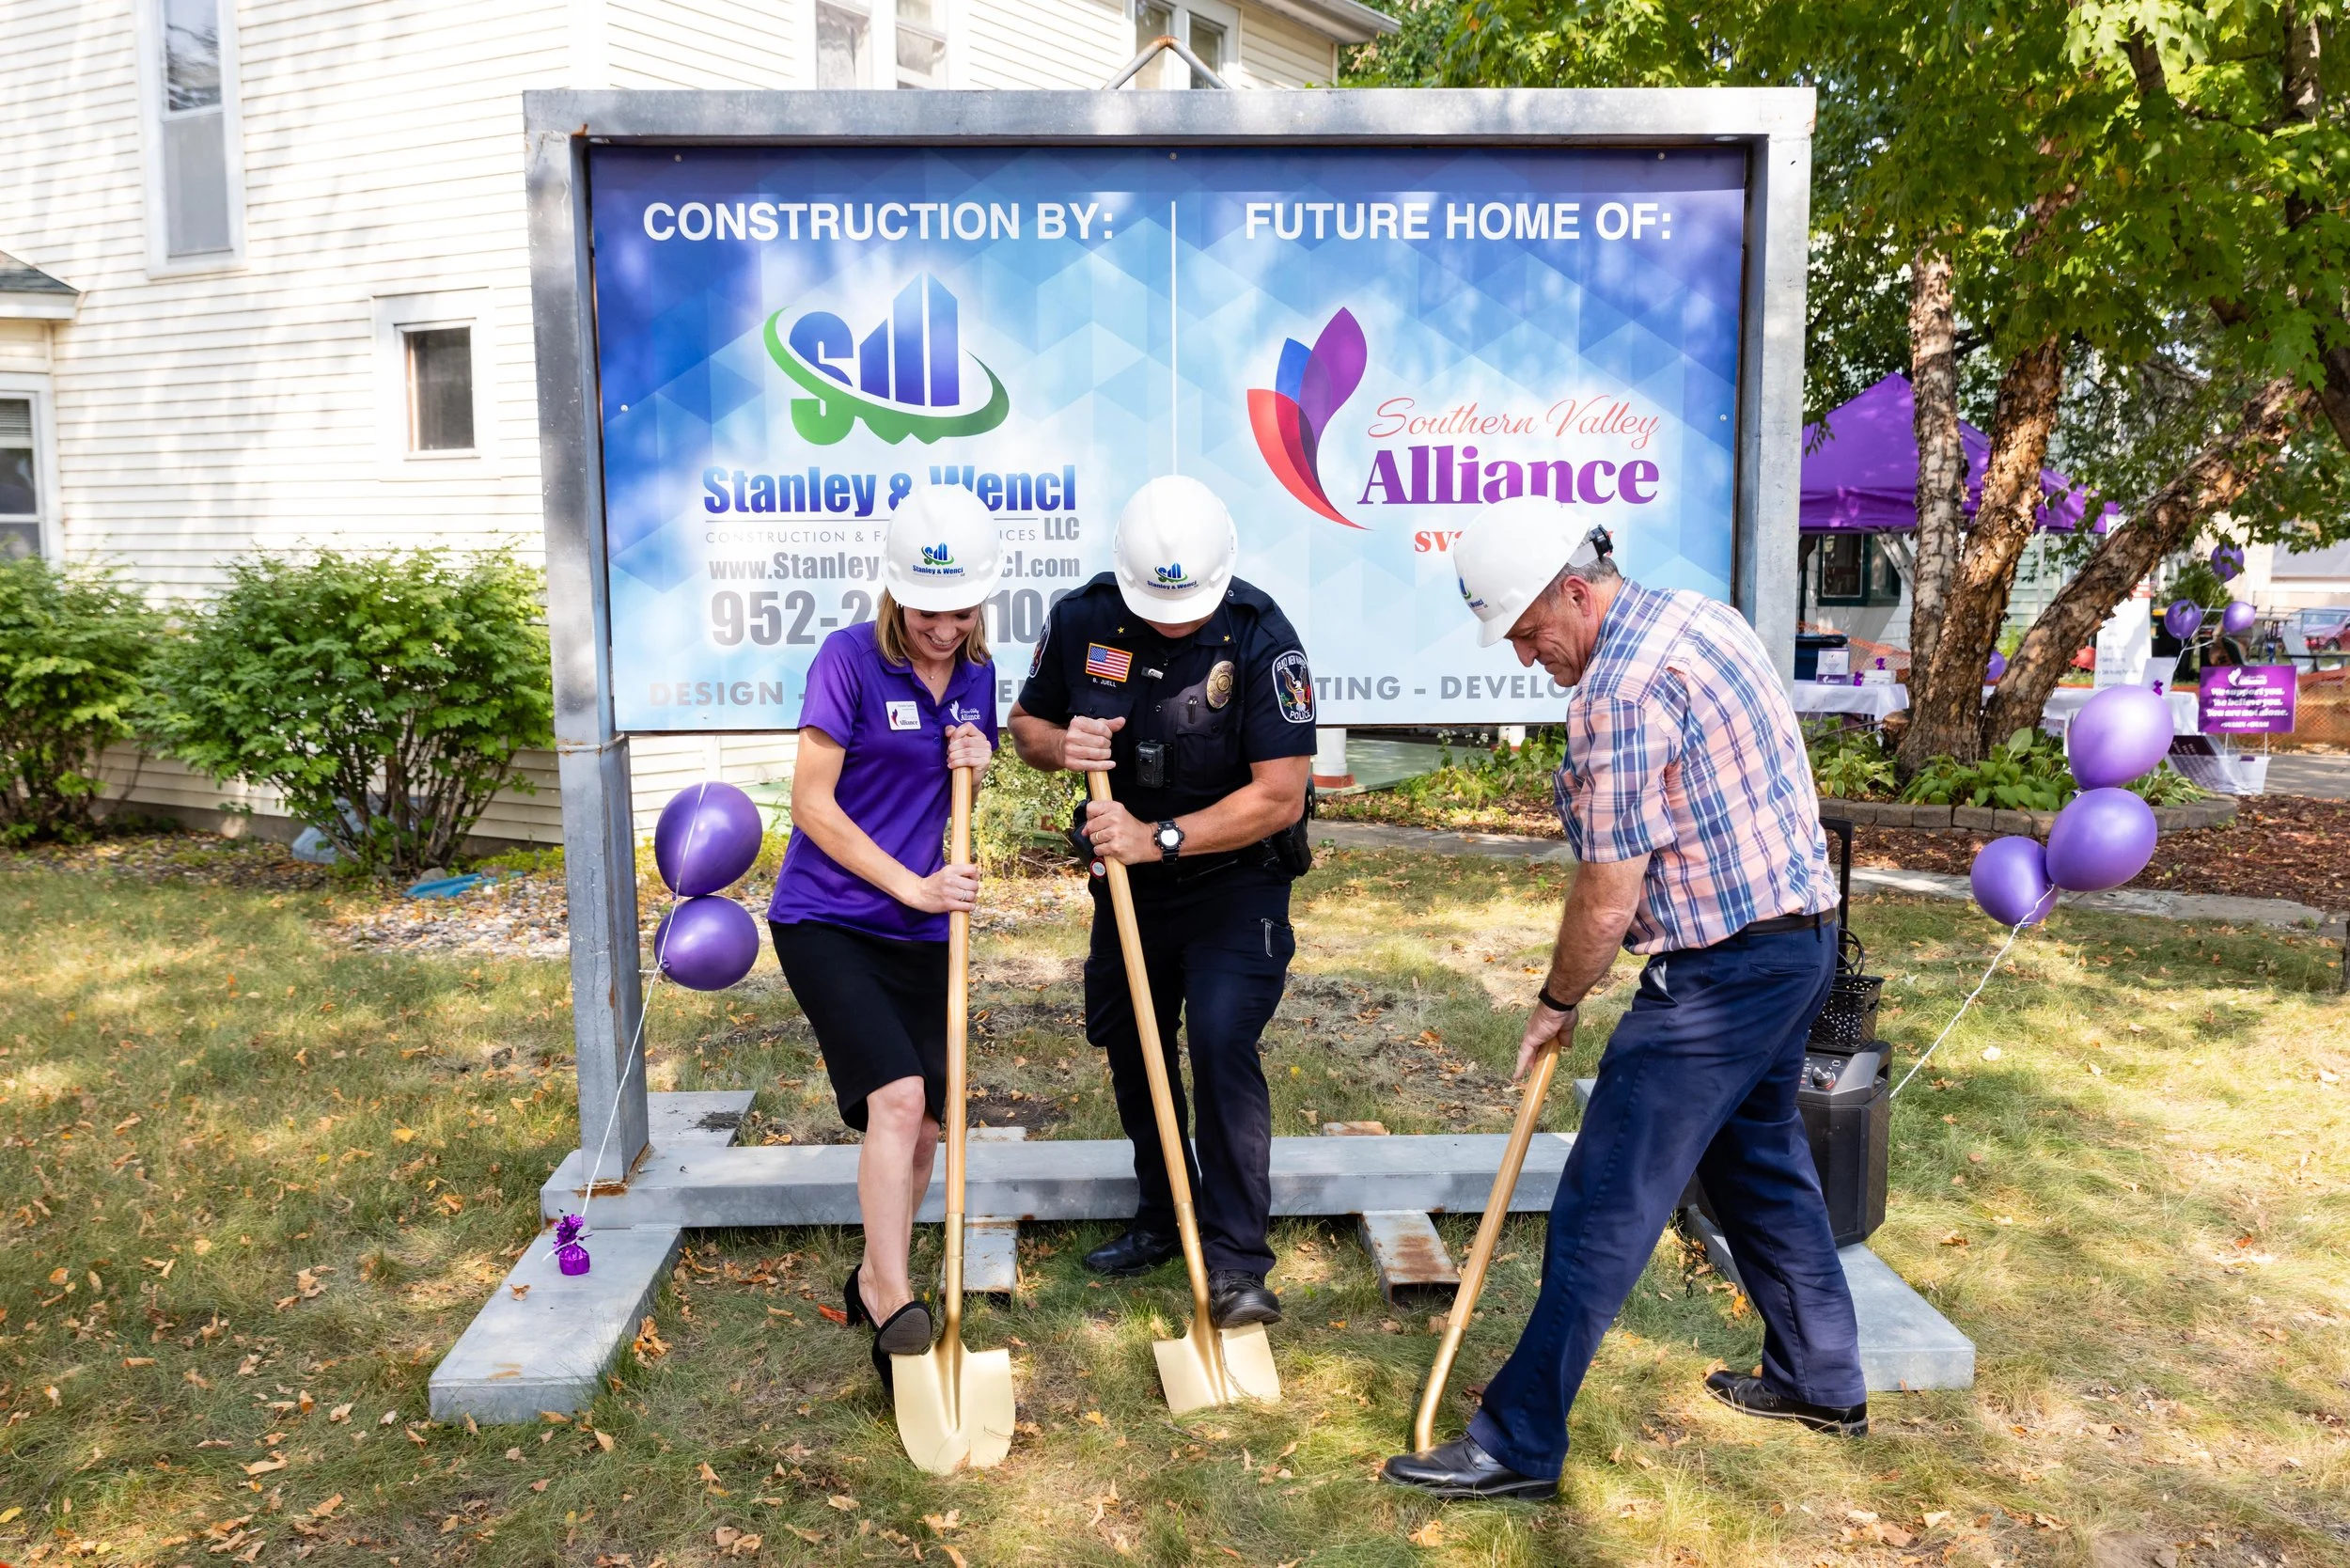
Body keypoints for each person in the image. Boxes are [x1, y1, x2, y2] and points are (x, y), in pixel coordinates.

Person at [1383, 498, 1865, 1501]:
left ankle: (1517, 1442)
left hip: (1720, 978)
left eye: (1527, 632)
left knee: (1604, 1200)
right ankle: (1820, 1379)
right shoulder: (1702, 617)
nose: (1526, 658)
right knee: (1759, 1165)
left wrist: (1558, 999)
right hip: (1800, 943)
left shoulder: (1618, 691)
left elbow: (1608, 894)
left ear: (1573, 588)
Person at [1009, 475, 1316, 1328]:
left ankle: (1236, 1261)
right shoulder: (1083, 619)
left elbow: (1281, 794)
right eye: (1156, 607)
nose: (1170, 623)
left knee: (1221, 1043)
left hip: (1234, 881)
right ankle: (1162, 1213)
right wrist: (1059, 745)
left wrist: (1164, 837)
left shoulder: (1261, 636)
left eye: (1185, 609)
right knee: (1135, 1045)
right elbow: (1027, 729)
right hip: (1127, 886)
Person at [767, 484, 1003, 1391]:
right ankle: (895, 1302)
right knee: (897, 1098)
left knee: (931, 1126)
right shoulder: (848, 660)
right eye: (931, 610)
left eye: (963, 609)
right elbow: (811, 805)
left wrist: (976, 766)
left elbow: (948, 784)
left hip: (924, 924)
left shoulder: (979, 669)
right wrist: (915, 886)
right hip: (828, 916)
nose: (946, 627)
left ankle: (876, 1268)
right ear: (899, 594)